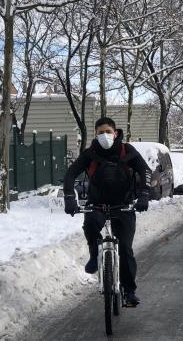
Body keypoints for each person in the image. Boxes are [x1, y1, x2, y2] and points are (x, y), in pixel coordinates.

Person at [63, 117, 151, 307]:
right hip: (97, 204)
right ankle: (95, 255)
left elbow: (145, 171)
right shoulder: (90, 153)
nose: (104, 135)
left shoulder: (127, 151)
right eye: (100, 132)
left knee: (126, 249)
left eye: (108, 131)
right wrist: (70, 198)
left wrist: (144, 195)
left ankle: (129, 292)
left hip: (124, 205)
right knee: (90, 224)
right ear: (95, 135)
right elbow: (70, 174)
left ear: (115, 132)